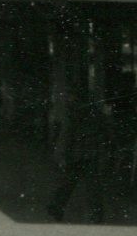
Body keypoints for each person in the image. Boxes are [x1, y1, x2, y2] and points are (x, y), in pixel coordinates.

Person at [47, 95, 110, 223]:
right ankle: (96, 216)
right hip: (90, 154)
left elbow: (65, 136)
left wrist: (60, 155)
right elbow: (105, 135)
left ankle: (57, 208)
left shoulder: (73, 116)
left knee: (69, 183)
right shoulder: (97, 116)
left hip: (76, 154)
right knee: (92, 186)